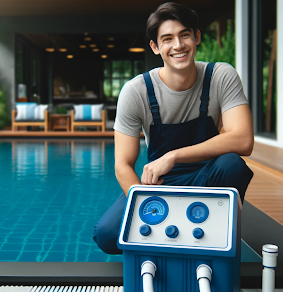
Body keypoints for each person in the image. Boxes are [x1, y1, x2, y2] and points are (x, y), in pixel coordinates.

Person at [93, 2, 254, 255]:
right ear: (155, 47)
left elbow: (243, 140)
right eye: (167, 39)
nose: (178, 45)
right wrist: (147, 206)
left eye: (184, 35)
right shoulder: (136, 91)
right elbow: (123, 165)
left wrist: (174, 155)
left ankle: (220, 229)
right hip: (160, 185)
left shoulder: (221, 76)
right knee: (107, 235)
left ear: (196, 37)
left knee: (232, 164)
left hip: (208, 178)